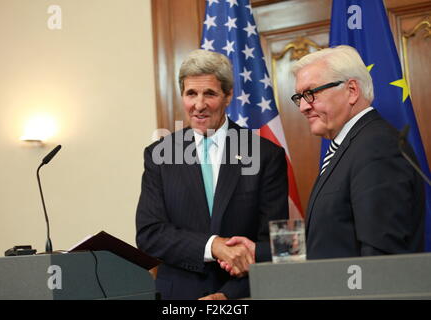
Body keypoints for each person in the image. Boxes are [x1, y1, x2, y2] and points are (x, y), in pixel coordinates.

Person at [135, 49, 289, 300]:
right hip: (179, 297)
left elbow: (273, 244)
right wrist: (213, 246)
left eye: (210, 93)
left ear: (228, 95)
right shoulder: (159, 154)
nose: (199, 105)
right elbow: (150, 235)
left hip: (242, 294)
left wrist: (227, 295)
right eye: (191, 94)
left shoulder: (265, 155)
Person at [290, 45, 425, 259]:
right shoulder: (354, 145)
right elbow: (334, 236)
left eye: (311, 93)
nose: (303, 107)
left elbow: (381, 256)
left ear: (352, 90)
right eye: (299, 97)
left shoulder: (377, 147)